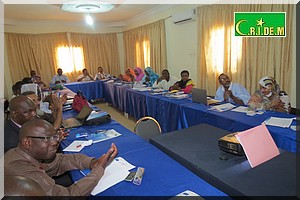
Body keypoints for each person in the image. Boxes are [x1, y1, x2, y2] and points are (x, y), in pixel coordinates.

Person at [5, 119, 118, 196]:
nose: (55, 142)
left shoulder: (23, 154)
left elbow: (61, 160)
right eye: (47, 138)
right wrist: (100, 168)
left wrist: (93, 163)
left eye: (55, 137)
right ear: (28, 142)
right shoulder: (18, 169)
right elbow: (69, 195)